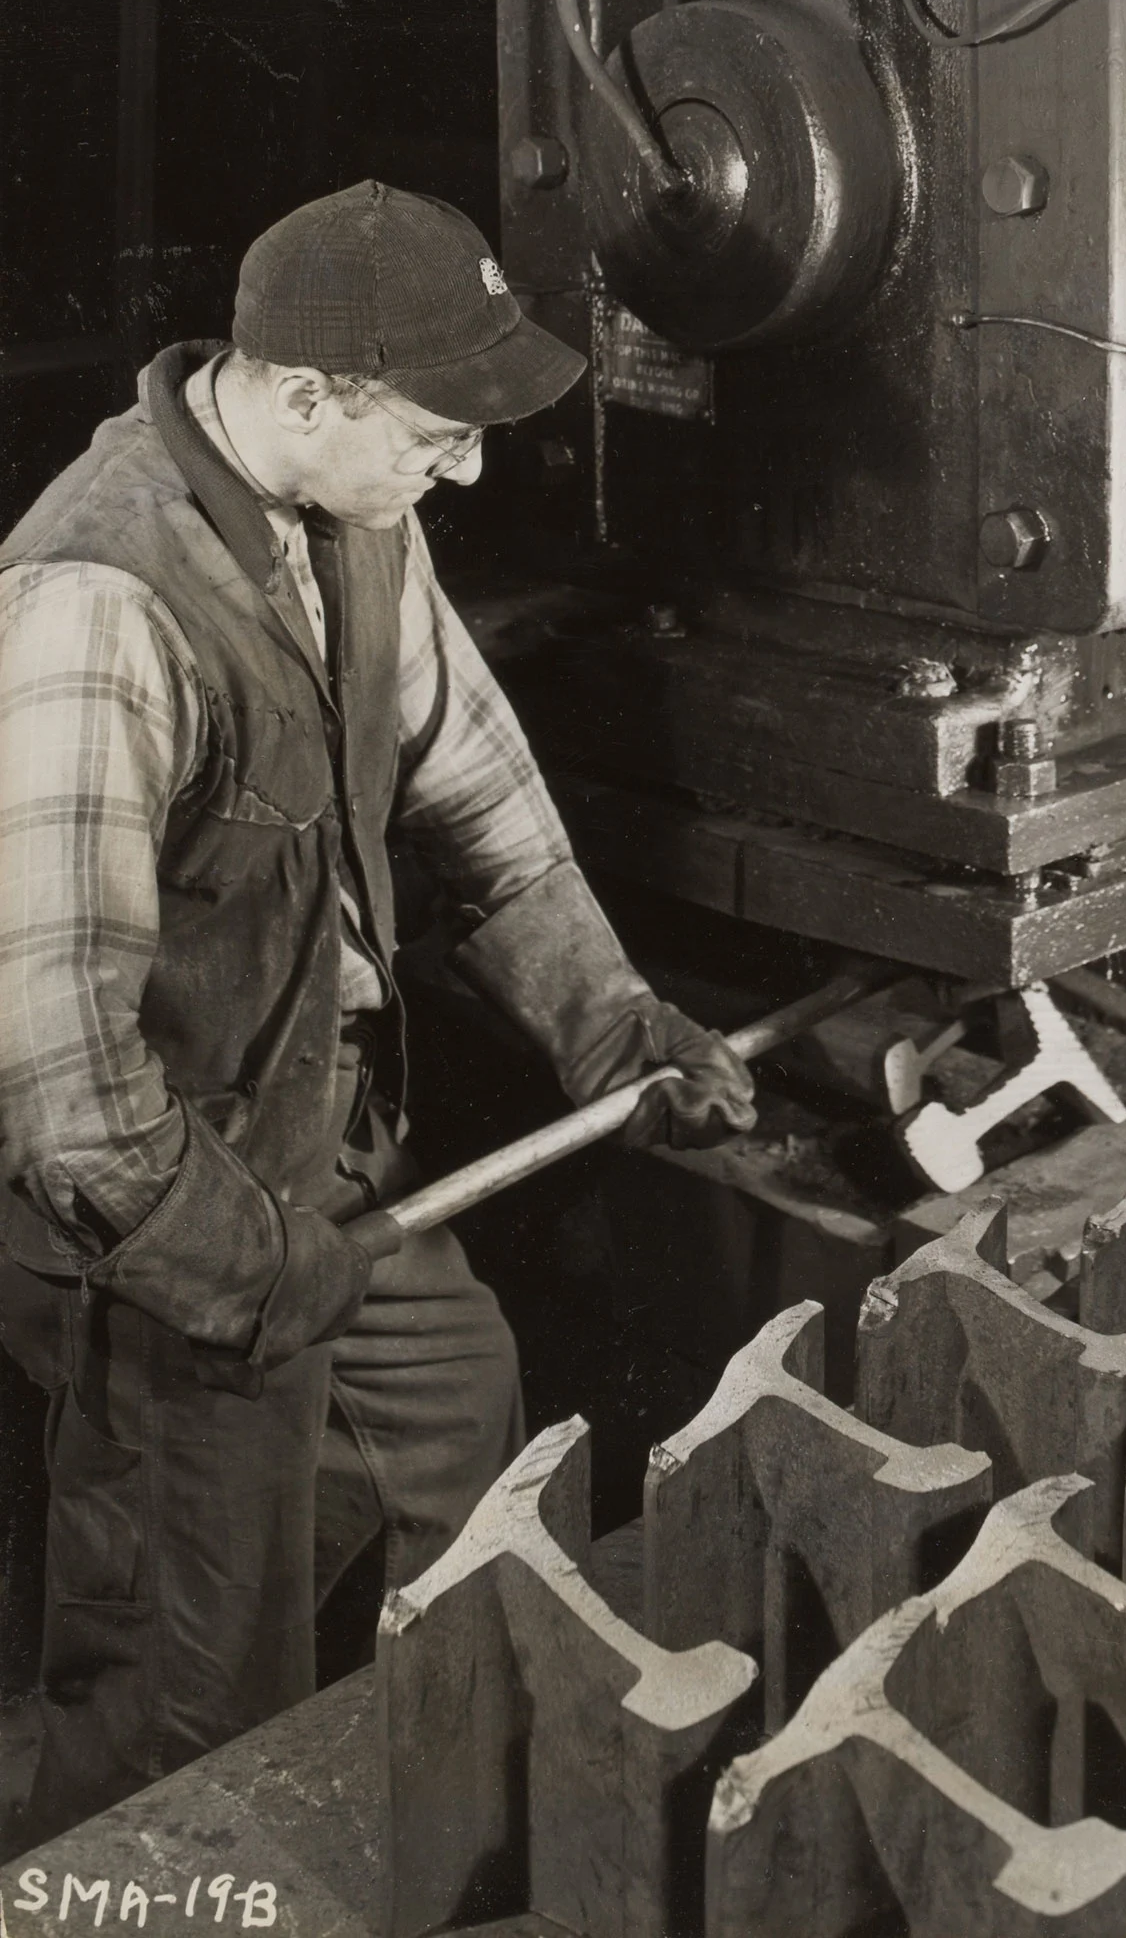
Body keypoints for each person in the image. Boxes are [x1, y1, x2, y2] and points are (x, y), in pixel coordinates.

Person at [0, 179, 756, 1844]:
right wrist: (245, 1272)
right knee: (189, 1683)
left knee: (456, 1422)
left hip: (319, 1145)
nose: (466, 469)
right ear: (306, 394)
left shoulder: (355, 522)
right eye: (437, 431)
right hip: (159, 1223)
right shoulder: (96, 605)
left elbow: (482, 803)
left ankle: (383, 1824)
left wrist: (616, 1028)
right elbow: (62, 1097)